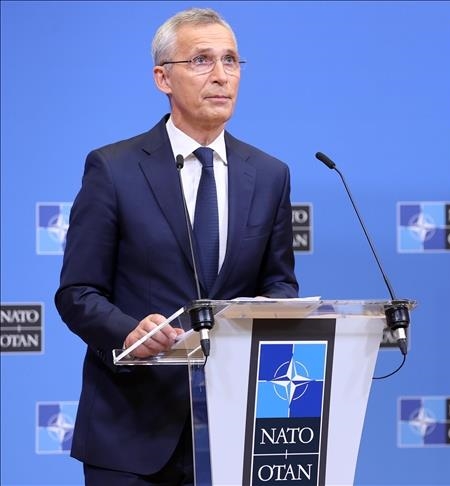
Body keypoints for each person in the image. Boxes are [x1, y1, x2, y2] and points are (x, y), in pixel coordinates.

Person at [55, 7, 299, 485]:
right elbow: (77, 292)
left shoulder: (271, 175)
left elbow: (280, 285)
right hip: (131, 433)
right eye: (202, 60)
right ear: (162, 78)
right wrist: (128, 332)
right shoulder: (113, 169)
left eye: (231, 60)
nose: (221, 75)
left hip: (235, 429)